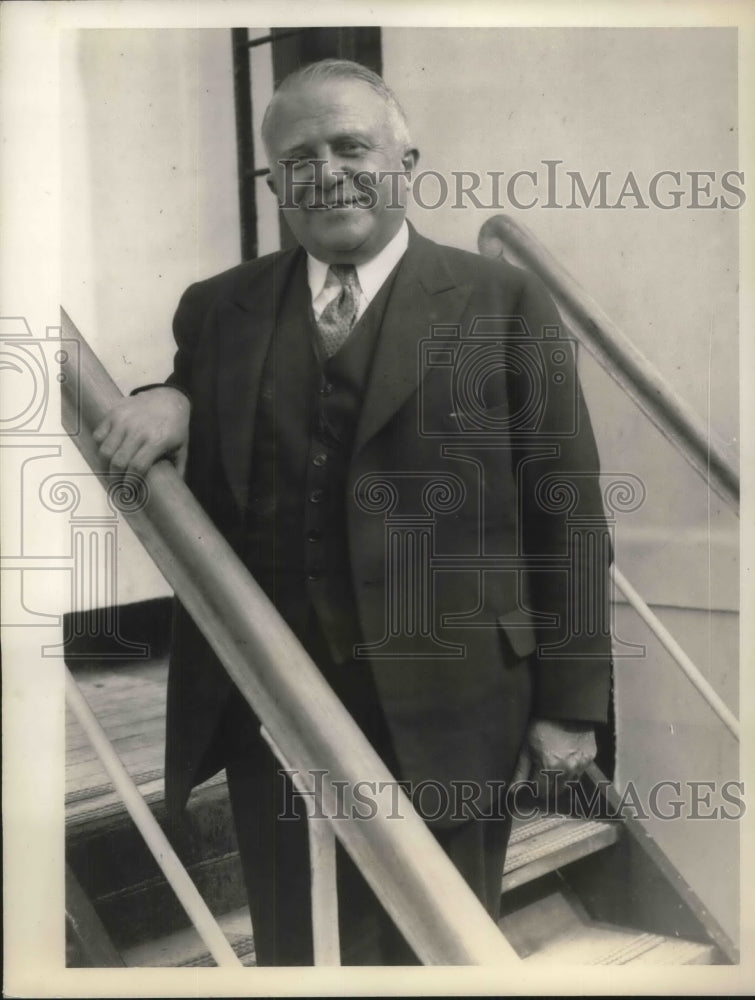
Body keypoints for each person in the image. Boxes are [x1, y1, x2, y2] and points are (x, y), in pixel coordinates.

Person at [93, 59, 612, 965]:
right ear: (274, 182)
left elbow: (564, 512)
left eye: (350, 145)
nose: (325, 171)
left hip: (454, 704)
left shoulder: (500, 301)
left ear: (404, 156)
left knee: (442, 948)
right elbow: (200, 395)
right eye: (297, 157)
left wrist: (569, 708)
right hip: (275, 698)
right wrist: (168, 399)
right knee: (297, 945)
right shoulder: (220, 306)